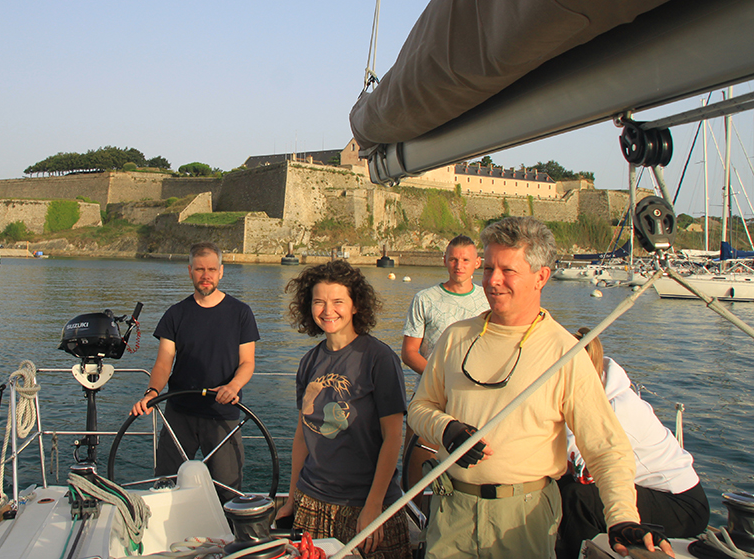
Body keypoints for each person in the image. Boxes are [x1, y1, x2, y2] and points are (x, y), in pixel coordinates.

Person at [408, 216, 673, 559]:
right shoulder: (454, 337)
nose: (493, 280)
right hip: (450, 512)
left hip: (524, 519)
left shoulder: (565, 354)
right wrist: (446, 428)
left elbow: (605, 447)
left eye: (508, 270)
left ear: (541, 277)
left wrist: (622, 517)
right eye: (488, 269)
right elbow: (420, 408)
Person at [275, 260, 410, 559]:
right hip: (312, 501)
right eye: (319, 302)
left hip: (365, 504)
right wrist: (293, 497)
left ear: (355, 306)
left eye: (338, 302)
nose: (328, 311)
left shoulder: (379, 359)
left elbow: (392, 438)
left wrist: (374, 505)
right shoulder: (309, 362)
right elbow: (302, 436)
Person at [556, 329, 710, 558]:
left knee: (577, 497)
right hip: (647, 489)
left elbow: (580, 468)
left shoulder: (616, 409)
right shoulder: (594, 390)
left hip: (681, 505)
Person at [131, 242, 259, 500]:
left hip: (222, 413)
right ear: (190, 271)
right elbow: (163, 363)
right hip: (179, 413)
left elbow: (247, 362)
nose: (206, 275)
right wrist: (152, 392)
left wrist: (233, 386)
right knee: (165, 487)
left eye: (211, 269)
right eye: (200, 269)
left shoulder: (241, 313)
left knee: (229, 493)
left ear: (221, 271)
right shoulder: (175, 314)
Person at [401, 235, 489, 482]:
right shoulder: (424, 299)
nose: (459, 265)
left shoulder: (488, 300)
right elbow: (409, 353)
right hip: (430, 397)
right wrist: (441, 379)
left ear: (477, 263)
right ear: (444, 261)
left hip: (475, 400)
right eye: (453, 259)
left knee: (469, 474)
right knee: (415, 476)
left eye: (465, 260)